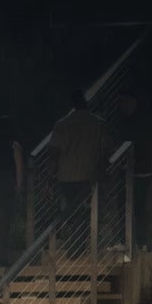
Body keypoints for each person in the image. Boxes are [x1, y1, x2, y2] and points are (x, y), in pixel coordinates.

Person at [50, 88, 110, 226]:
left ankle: (74, 234)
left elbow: (54, 152)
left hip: (66, 176)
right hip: (89, 175)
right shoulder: (98, 123)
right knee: (86, 210)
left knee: (71, 209)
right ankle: (85, 234)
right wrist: (102, 169)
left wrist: (50, 176)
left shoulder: (62, 124)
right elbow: (106, 149)